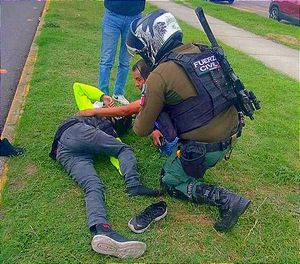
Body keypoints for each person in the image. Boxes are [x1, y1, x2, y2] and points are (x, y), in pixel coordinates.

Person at [125, 9, 251, 232]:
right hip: (232, 132)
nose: (145, 59)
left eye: (144, 53)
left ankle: (225, 200)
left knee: (169, 180)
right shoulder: (202, 50)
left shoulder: (160, 75)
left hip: (207, 147)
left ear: (153, 44)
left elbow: (141, 129)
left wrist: (148, 105)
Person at [49, 113, 160, 259]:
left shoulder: (95, 116)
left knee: (93, 185)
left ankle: (102, 229)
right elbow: (118, 148)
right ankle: (133, 184)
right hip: (76, 131)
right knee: (124, 149)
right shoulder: (105, 122)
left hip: (61, 151)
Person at [98, 0, 146, 105]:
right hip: (112, 14)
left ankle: (118, 93)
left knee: (125, 60)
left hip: (134, 16)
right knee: (106, 59)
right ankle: (102, 95)